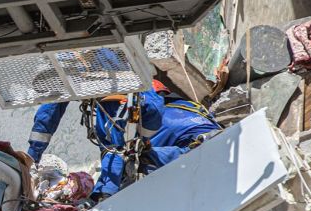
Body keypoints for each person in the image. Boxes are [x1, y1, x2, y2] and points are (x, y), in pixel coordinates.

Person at [27, 79, 219, 203]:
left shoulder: (116, 96)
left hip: (192, 142)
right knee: (130, 155)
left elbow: (117, 150)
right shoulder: (175, 103)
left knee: (127, 156)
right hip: (209, 134)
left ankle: (104, 196)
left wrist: (32, 156)